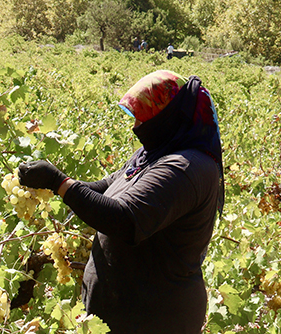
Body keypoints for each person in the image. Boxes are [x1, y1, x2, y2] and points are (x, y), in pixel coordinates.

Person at [18, 70, 223, 333]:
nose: (136, 126)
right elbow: (107, 188)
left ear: (170, 116)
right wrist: (52, 185)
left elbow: (124, 218)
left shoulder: (185, 167)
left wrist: (59, 182)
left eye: (143, 117)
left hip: (154, 320)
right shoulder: (153, 154)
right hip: (123, 313)